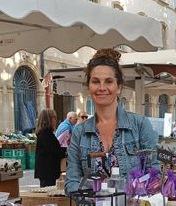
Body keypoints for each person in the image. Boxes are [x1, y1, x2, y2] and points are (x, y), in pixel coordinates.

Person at [66, 48, 158, 194]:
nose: (102, 88)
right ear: (88, 87)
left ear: (119, 87)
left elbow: (154, 175)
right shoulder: (79, 132)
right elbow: (72, 183)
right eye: (96, 82)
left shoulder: (140, 125)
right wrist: (98, 198)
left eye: (108, 81)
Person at [34, 108, 64, 187]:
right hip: (47, 171)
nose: (56, 121)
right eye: (54, 118)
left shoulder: (45, 133)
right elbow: (55, 151)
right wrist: (67, 151)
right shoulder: (46, 134)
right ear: (49, 119)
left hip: (46, 171)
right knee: (48, 191)